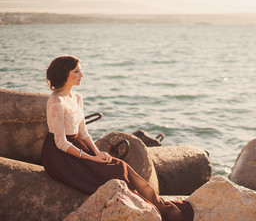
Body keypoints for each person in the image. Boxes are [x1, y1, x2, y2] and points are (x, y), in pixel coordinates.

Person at [41, 56, 194, 221]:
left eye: (80, 70)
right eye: (76, 71)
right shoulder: (56, 102)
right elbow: (60, 142)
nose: (82, 75)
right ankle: (155, 210)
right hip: (60, 156)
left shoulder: (77, 97)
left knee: (122, 166)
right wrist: (91, 158)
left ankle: (161, 207)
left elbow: (83, 132)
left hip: (77, 145)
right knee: (114, 172)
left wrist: (97, 152)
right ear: (64, 74)